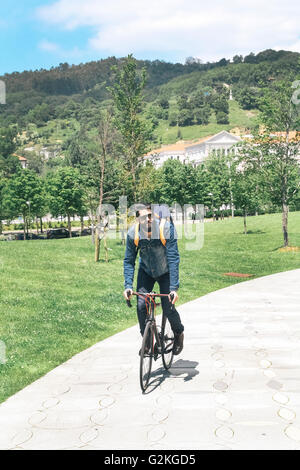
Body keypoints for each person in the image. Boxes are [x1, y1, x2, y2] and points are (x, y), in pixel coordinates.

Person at [123, 203, 184, 355]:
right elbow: (129, 261)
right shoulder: (133, 234)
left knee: (168, 308)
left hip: (166, 272)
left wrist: (173, 289)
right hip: (146, 272)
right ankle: (147, 340)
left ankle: (178, 334)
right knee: (141, 305)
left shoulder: (166, 229)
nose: (148, 220)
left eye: (149, 216)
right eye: (143, 217)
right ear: (138, 220)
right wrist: (128, 286)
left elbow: (173, 258)